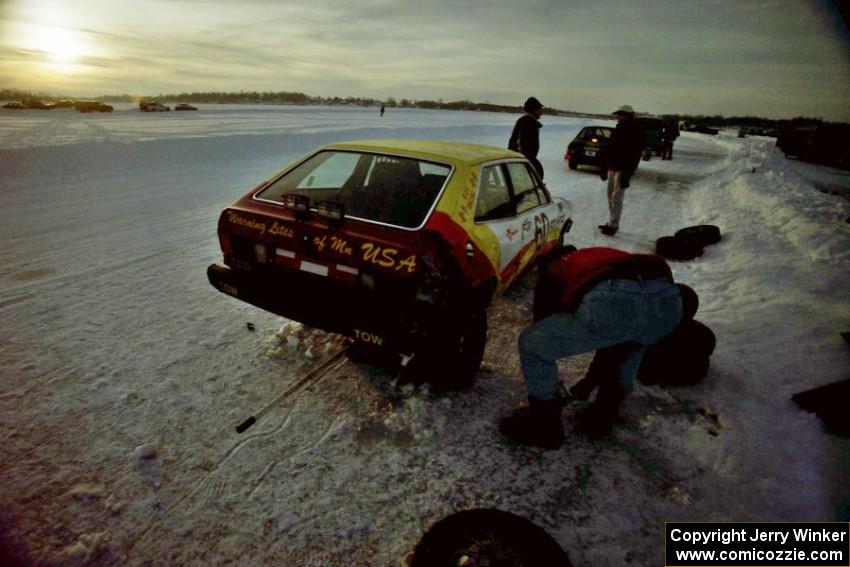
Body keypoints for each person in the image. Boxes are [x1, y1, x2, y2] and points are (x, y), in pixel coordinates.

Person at [499, 247, 691, 449]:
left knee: (533, 344)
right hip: (668, 301)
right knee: (628, 344)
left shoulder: (555, 268)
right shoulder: (601, 257)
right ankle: (602, 417)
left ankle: (545, 425)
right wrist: (589, 382)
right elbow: (614, 334)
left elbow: (543, 321)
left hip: (616, 297)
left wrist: (548, 382)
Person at [598, 105, 644, 236]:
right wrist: (604, 167)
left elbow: (635, 154)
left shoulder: (636, 130)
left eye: (621, 114)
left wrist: (627, 173)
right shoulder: (619, 129)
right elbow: (609, 149)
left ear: (628, 115)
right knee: (610, 197)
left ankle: (613, 225)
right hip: (612, 167)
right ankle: (611, 221)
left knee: (616, 198)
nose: (618, 117)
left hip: (622, 169)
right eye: (618, 114)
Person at [508, 96, 544, 179]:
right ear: (534, 110)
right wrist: (527, 160)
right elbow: (519, 144)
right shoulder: (527, 122)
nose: (541, 111)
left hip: (525, 160)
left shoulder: (531, 121)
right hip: (522, 161)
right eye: (539, 109)